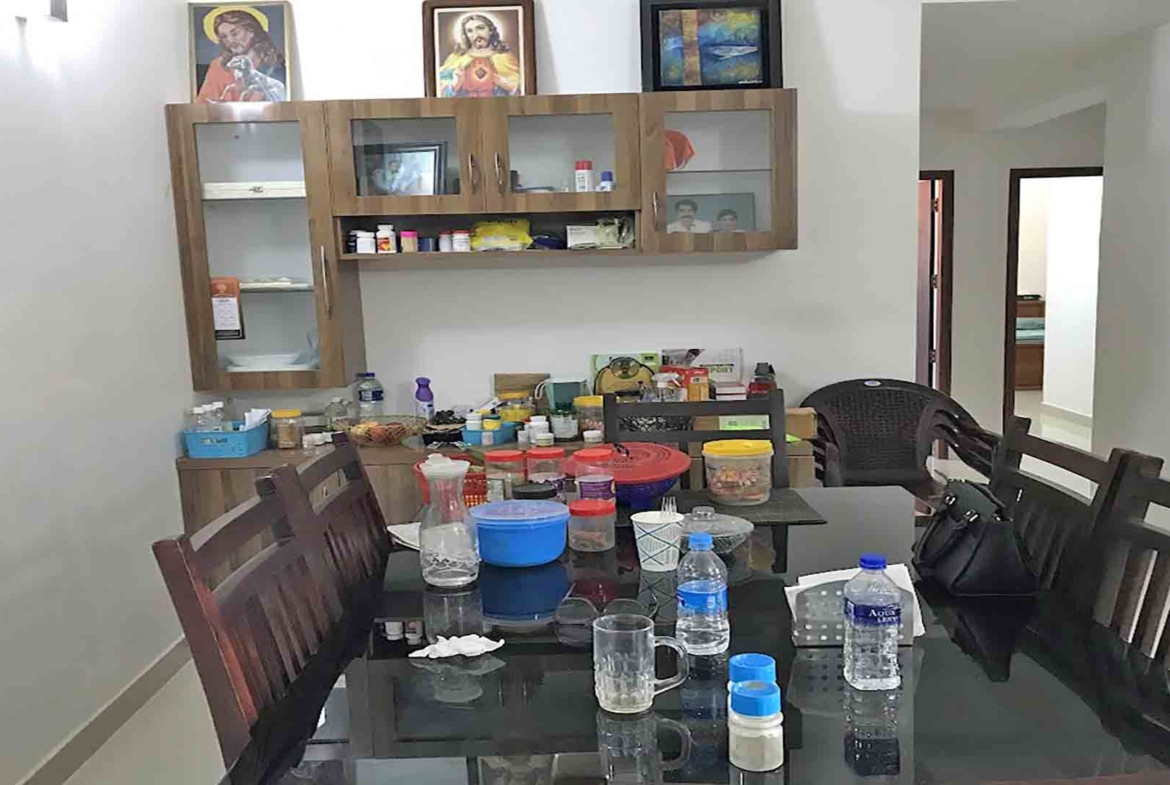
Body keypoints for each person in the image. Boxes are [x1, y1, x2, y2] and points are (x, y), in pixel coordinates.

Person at [197, 8, 287, 103]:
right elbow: (204, 102)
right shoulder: (218, 65)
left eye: (235, 34)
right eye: (224, 37)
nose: (230, 41)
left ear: (251, 31)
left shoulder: (272, 60)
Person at [437, 13, 522, 97]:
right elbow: (440, 92)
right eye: (470, 31)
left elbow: (523, 92)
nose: (476, 35)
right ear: (466, 35)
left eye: (480, 28)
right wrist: (455, 84)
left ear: (491, 30)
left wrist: (507, 86)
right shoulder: (457, 58)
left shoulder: (505, 58)